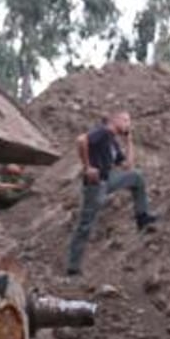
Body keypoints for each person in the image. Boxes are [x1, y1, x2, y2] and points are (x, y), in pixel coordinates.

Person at [65, 111, 158, 276]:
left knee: (136, 177)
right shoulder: (103, 132)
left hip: (107, 181)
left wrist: (129, 141)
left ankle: (142, 217)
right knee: (85, 226)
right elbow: (81, 140)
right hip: (94, 185)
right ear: (114, 120)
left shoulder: (113, 142)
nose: (128, 124)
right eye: (125, 120)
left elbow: (128, 165)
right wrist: (87, 167)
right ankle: (73, 267)